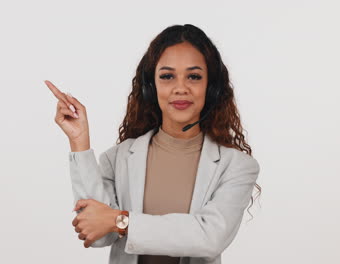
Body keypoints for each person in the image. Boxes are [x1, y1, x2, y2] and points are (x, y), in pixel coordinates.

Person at [45, 24, 262, 264]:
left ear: (211, 88)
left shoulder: (238, 166)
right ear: (151, 87)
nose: (180, 88)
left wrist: (121, 221)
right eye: (167, 76)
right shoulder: (118, 158)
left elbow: (209, 237)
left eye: (194, 76)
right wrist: (79, 141)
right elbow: (97, 235)